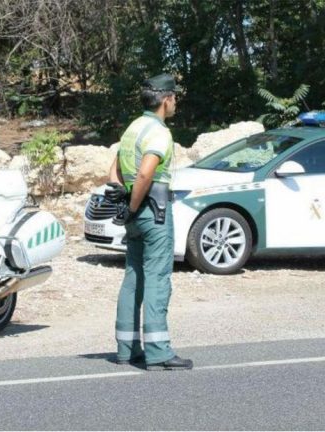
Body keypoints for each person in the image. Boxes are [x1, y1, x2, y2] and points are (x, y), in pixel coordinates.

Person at [105, 73, 193, 371]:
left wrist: (126, 204)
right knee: (157, 279)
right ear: (165, 99)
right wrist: (133, 205)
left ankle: (126, 349)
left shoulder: (133, 129)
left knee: (133, 277)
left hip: (135, 216)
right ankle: (158, 351)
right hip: (153, 212)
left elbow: (113, 172)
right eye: (175, 97)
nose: (176, 101)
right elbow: (145, 173)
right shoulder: (158, 132)